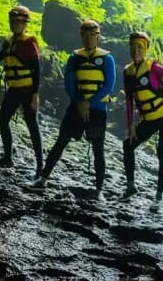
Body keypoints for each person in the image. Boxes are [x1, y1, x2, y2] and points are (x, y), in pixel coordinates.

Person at [31, 19, 117, 198]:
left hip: (98, 110)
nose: (89, 39)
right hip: (76, 107)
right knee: (61, 141)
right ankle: (43, 179)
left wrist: (89, 102)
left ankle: (99, 189)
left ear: (98, 36)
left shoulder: (107, 59)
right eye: (86, 35)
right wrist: (79, 101)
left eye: (93, 35)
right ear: (81, 36)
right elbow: (69, 82)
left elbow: (108, 85)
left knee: (98, 150)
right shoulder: (74, 58)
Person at [122, 31, 163, 208]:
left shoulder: (153, 67)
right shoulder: (128, 72)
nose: (136, 51)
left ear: (146, 49)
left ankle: (158, 196)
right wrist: (131, 126)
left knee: (162, 153)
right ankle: (131, 186)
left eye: (140, 48)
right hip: (149, 119)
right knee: (128, 145)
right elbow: (129, 100)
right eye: (133, 48)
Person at [0, 4, 44, 174]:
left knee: (33, 126)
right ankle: (8, 157)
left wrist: (35, 95)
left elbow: (37, 69)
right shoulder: (9, 42)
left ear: (25, 23)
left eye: (19, 21)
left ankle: (40, 165)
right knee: (3, 119)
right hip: (14, 90)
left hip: (27, 90)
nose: (15, 24)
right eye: (13, 21)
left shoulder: (29, 42)